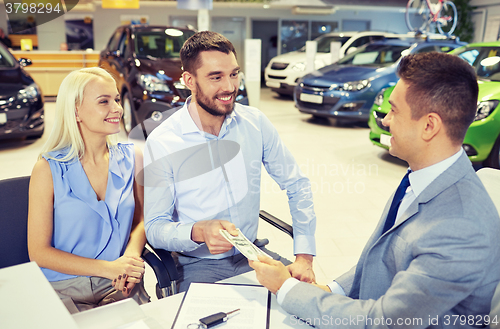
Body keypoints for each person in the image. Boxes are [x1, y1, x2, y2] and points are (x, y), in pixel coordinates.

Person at [251, 52, 500, 328]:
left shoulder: (460, 228)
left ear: (429, 126)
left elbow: (383, 322)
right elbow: (381, 257)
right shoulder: (423, 174)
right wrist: (331, 290)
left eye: (394, 110)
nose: (385, 120)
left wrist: (287, 289)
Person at [144, 31, 316, 292]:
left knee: (310, 306)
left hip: (254, 256)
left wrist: (304, 256)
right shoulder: (163, 142)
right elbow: (155, 227)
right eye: (216, 77)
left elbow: (296, 184)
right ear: (189, 80)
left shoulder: (254, 123)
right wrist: (198, 231)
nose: (229, 87)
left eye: (234, 74)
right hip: (198, 265)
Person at [28, 67, 150, 312]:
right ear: (75, 111)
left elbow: (142, 220)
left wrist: (130, 260)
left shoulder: (134, 157)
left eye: (116, 99)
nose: (117, 108)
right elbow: (39, 252)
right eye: (104, 101)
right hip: (64, 287)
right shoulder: (47, 169)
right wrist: (108, 268)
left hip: (119, 282)